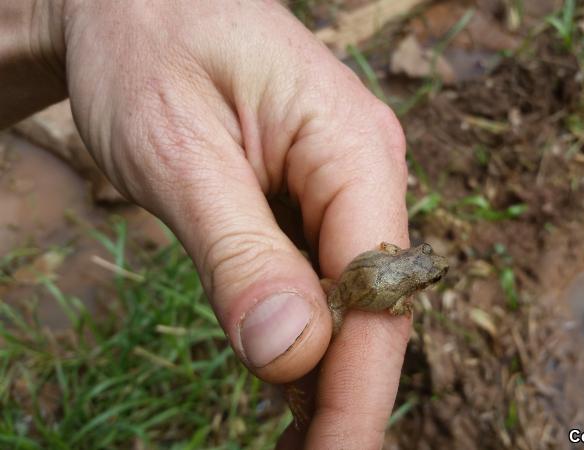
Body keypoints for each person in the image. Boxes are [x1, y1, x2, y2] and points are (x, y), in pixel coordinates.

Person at [1, 1, 410, 448]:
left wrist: (65, 11)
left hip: (350, 283)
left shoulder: (391, 264)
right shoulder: (395, 295)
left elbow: (387, 256)